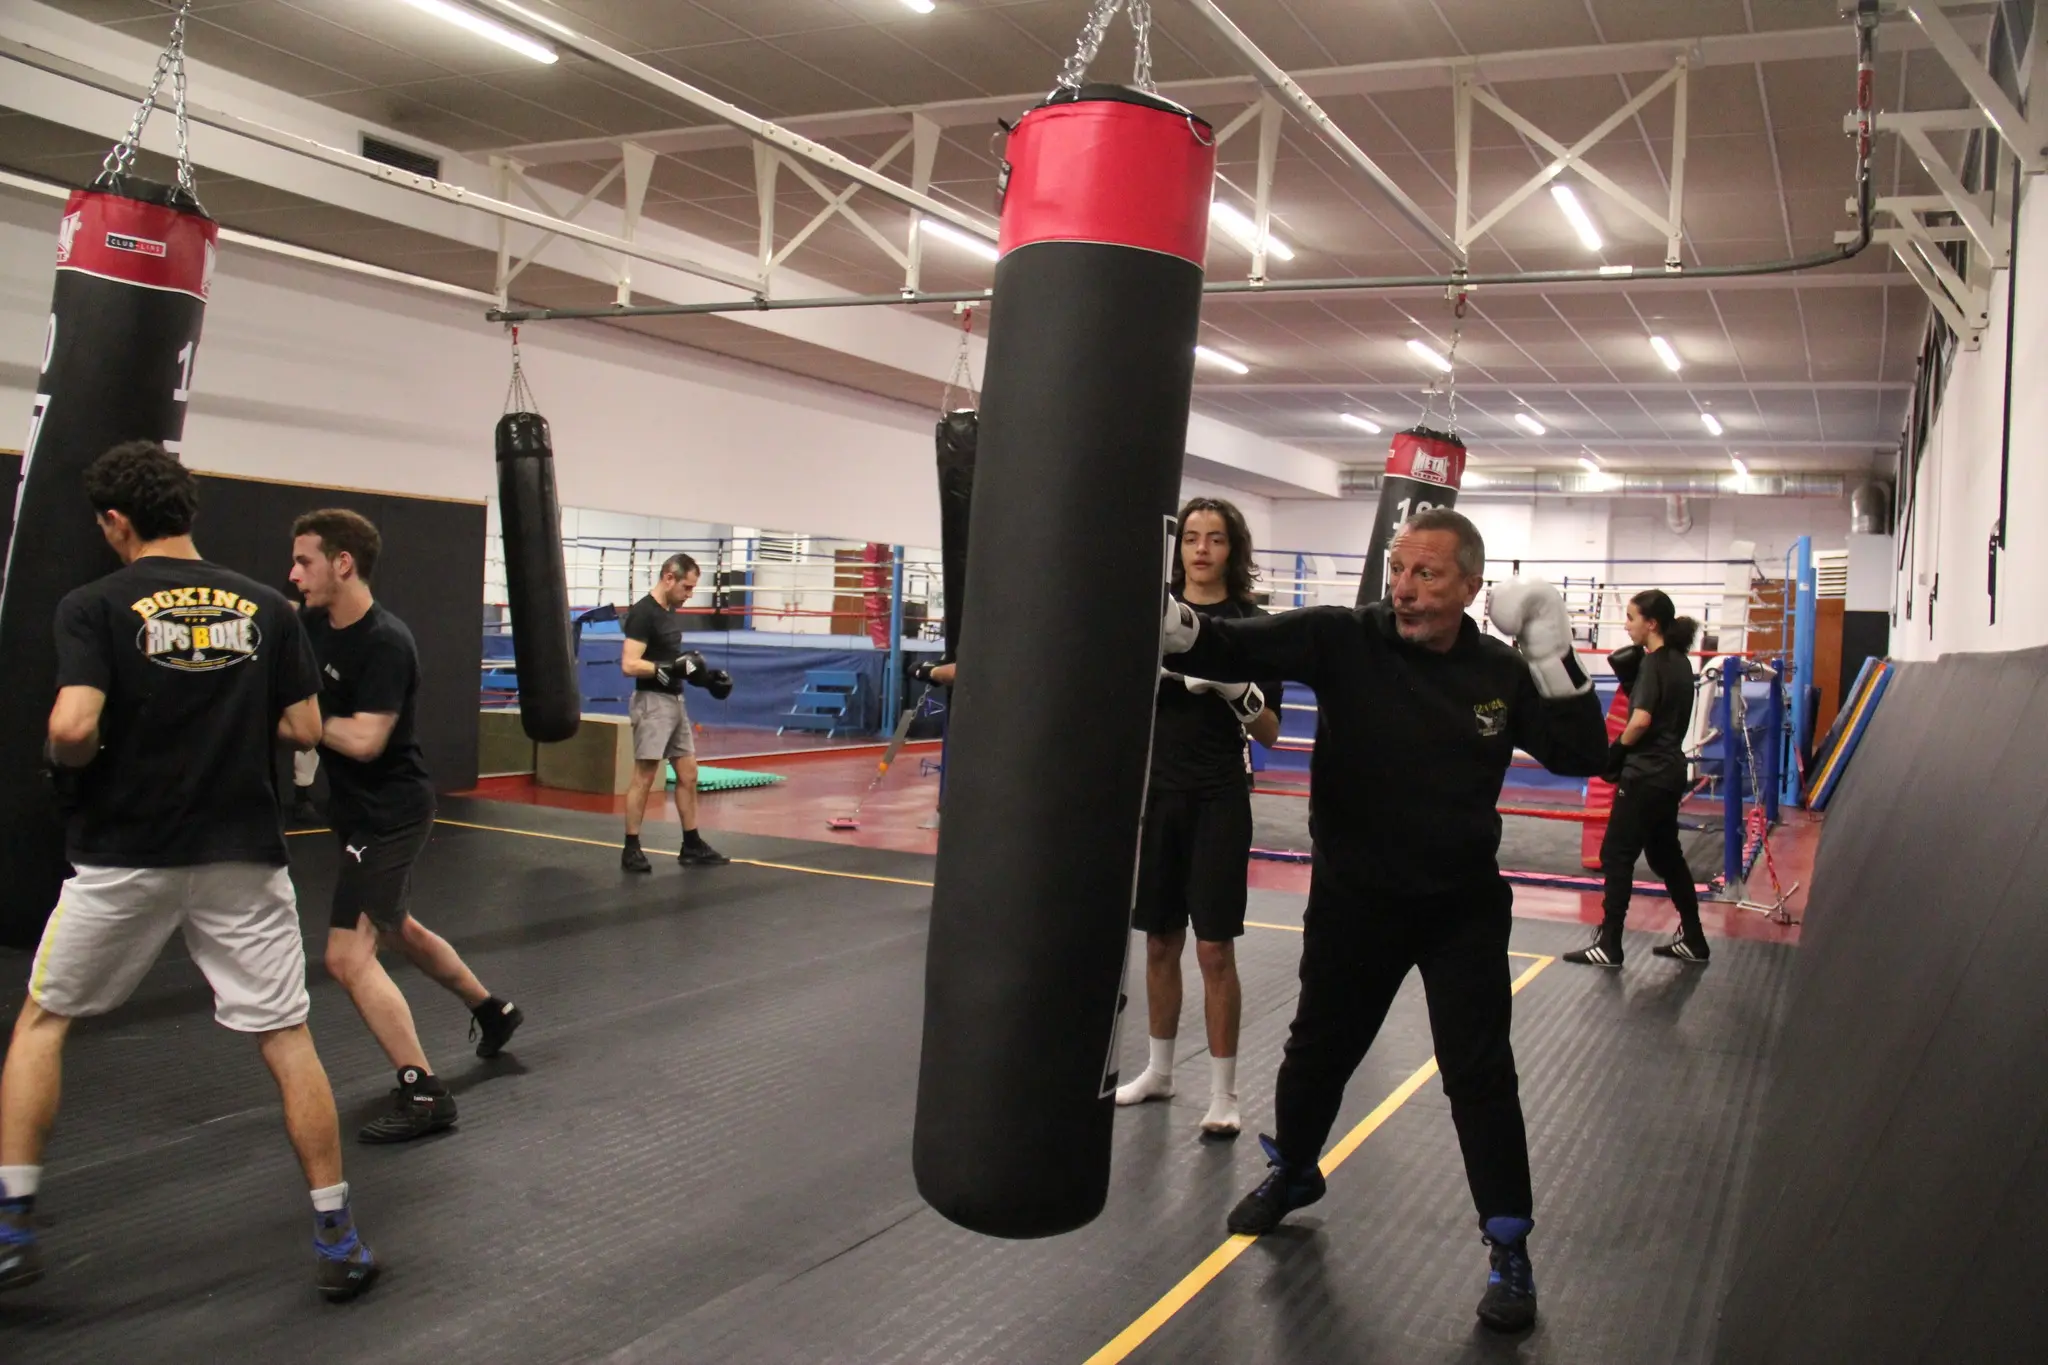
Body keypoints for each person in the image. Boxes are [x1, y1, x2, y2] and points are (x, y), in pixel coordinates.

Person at [1160, 507, 1606, 1333]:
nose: (1403, 587)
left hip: (1458, 906)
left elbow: (1583, 754)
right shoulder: (1343, 636)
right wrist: (1178, 626)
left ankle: (1509, 1245)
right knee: (1315, 1054)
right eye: (1398, 569)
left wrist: (1551, 647)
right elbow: (1239, 643)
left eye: (1427, 574)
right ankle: (1295, 1168)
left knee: (1479, 1073)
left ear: (1471, 586)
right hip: (1354, 902)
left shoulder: (1501, 671)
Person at [0, 442, 377, 1300]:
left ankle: (12, 1226)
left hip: (126, 853)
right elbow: (309, 728)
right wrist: (224, 706)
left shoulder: (94, 603)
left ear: (115, 522)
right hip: (242, 853)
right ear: (189, 513)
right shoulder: (268, 607)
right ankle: (338, 1234)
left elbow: (70, 726)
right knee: (286, 1036)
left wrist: (77, 756)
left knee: (42, 1021)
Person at [291, 509, 524, 1144]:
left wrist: (292, 727)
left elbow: (366, 740)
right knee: (397, 930)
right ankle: (494, 1010)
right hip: (355, 811)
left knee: (346, 956)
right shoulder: (309, 625)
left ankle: (424, 1092)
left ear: (343, 563)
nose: (294, 574)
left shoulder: (386, 641)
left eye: (305, 561)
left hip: (390, 813)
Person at [1113, 497, 1282, 1139]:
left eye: (1215, 538)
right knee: (1159, 939)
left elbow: (1269, 732)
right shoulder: (1149, 616)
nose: (1201, 548)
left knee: (1215, 948)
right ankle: (1158, 1071)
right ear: (1177, 547)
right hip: (1157, 794)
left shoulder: (1251, 626)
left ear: (1232, 549)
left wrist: (1237, 693)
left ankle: (1224, 1091)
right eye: (1190, 537)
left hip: (1218, 794)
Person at [1564, 589, 1708, 968]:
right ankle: (1694, 938)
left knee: (1616, 854)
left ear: (1652, 623)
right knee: (1666, 856)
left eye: (1630, 618)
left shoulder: (1653, 664)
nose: (1626, 626)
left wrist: (1615, 754)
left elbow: (1641, 720)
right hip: (1671, 771)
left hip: (1644, 774)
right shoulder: (1680, 663)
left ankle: (1609, 943)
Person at [619, 554, 730, 873]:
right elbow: (629, 664)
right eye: (687, 587)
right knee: (645, 775)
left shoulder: (668, 613)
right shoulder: (643, 613)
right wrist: (666, 667)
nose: (690, 594)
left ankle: (691, 844)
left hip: (674, 702)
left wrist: (708, 681)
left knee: (689, 774)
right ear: (669, 577)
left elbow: (676, 665)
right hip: (652, 703)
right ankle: (631, 848)